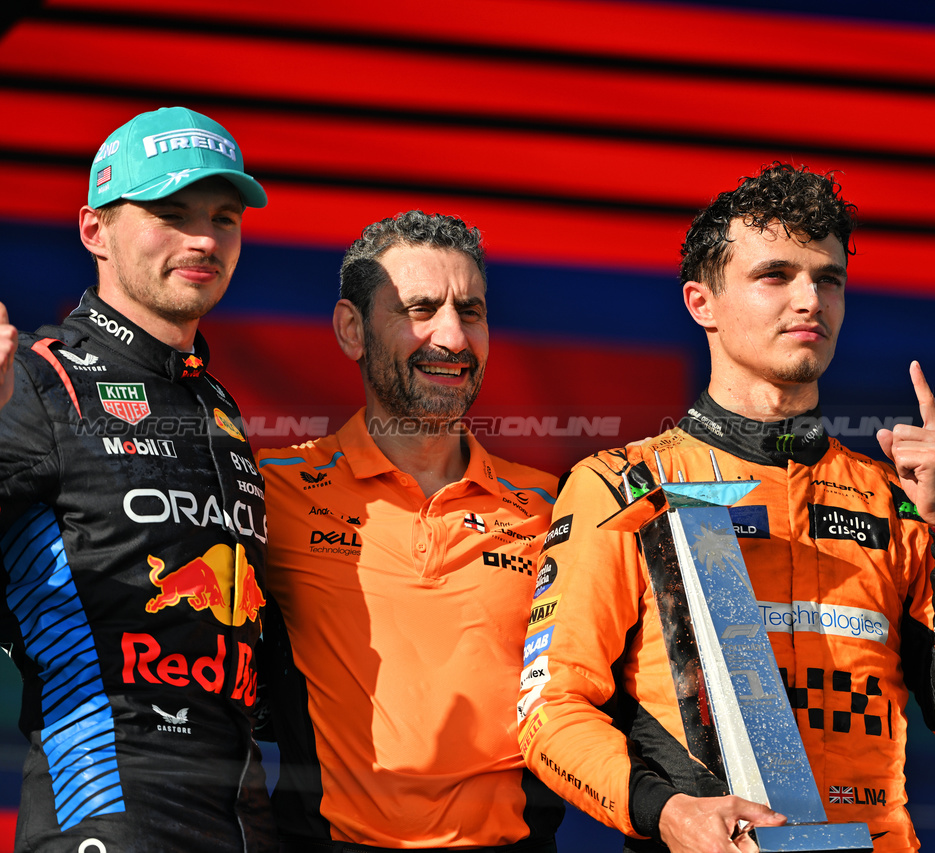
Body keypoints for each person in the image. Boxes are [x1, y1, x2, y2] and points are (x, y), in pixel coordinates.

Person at [517, 163, 935, 853]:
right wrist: (669, 813)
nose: (809, 298)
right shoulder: (623, 484)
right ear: (703, 303)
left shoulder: (893, 501)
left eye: (828, 278)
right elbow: (548, 710)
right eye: (775, 275)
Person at [0, 107, 274, 851]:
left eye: (223, 217)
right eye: (170, 212)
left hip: (240, 819)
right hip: (103, 809)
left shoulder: (216, 404)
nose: (203, 238)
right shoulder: (36, 377)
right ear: (95, 230)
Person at [256, 211, 565, 852]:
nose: (451, 336)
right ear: (352, 330)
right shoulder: (272, 492)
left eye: (471, 311)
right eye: (419, 308)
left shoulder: (552, 503)